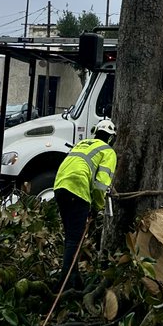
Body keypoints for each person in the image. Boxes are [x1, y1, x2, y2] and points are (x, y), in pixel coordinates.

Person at [52, 118, 117, 290]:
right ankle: (62, 285)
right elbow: (101, 185)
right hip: (77, 190)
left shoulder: (82, 144)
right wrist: (97, 207)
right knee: (74, 240)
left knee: (70, 238)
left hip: (60, 187)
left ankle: (75, 280)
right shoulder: (108, 151)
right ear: (111, 138)